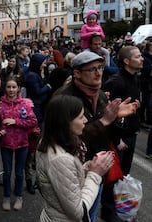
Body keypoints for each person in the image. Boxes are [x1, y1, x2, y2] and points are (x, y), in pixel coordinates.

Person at [55, 51, 138, 222]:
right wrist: (106, 120)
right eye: (92, 69)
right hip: (73, 170)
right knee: (76, 216)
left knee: (91, 215)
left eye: (100, 67)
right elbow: (66, 139)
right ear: (77, 73)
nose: (99, 73)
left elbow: (107, 134)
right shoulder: (64, 99)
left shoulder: (99, 94)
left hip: (97, 168)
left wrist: (117, 119)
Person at [36, 95, 114, 222]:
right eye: (81, 117)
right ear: (66, 122)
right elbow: (78, 212)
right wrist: (95, 175)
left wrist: (89, 167)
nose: (85, 120)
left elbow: (66, 180)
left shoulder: (48, 141)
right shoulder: (60, 159)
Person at [0, 77, 38, 211]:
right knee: (7, 172)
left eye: (14, 87)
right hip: (6, 144)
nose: (11, 90)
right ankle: (6, 196)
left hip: (23, 143)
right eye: (9, 87)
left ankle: (18, 196)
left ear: (18, 89)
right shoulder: (0, 104)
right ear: (5, 88)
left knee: (19, 173)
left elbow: (33, 121)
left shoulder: (25, 104)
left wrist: (15, 122)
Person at [103, 46, 142, 175]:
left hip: (131, 132)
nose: (142, 59)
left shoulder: (135, 78)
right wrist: (118, 139)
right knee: (114, 176)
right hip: (120, 137)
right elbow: (108, 111)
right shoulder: (116, 82)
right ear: (126, 61)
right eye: (137, 56)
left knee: (125, 175)